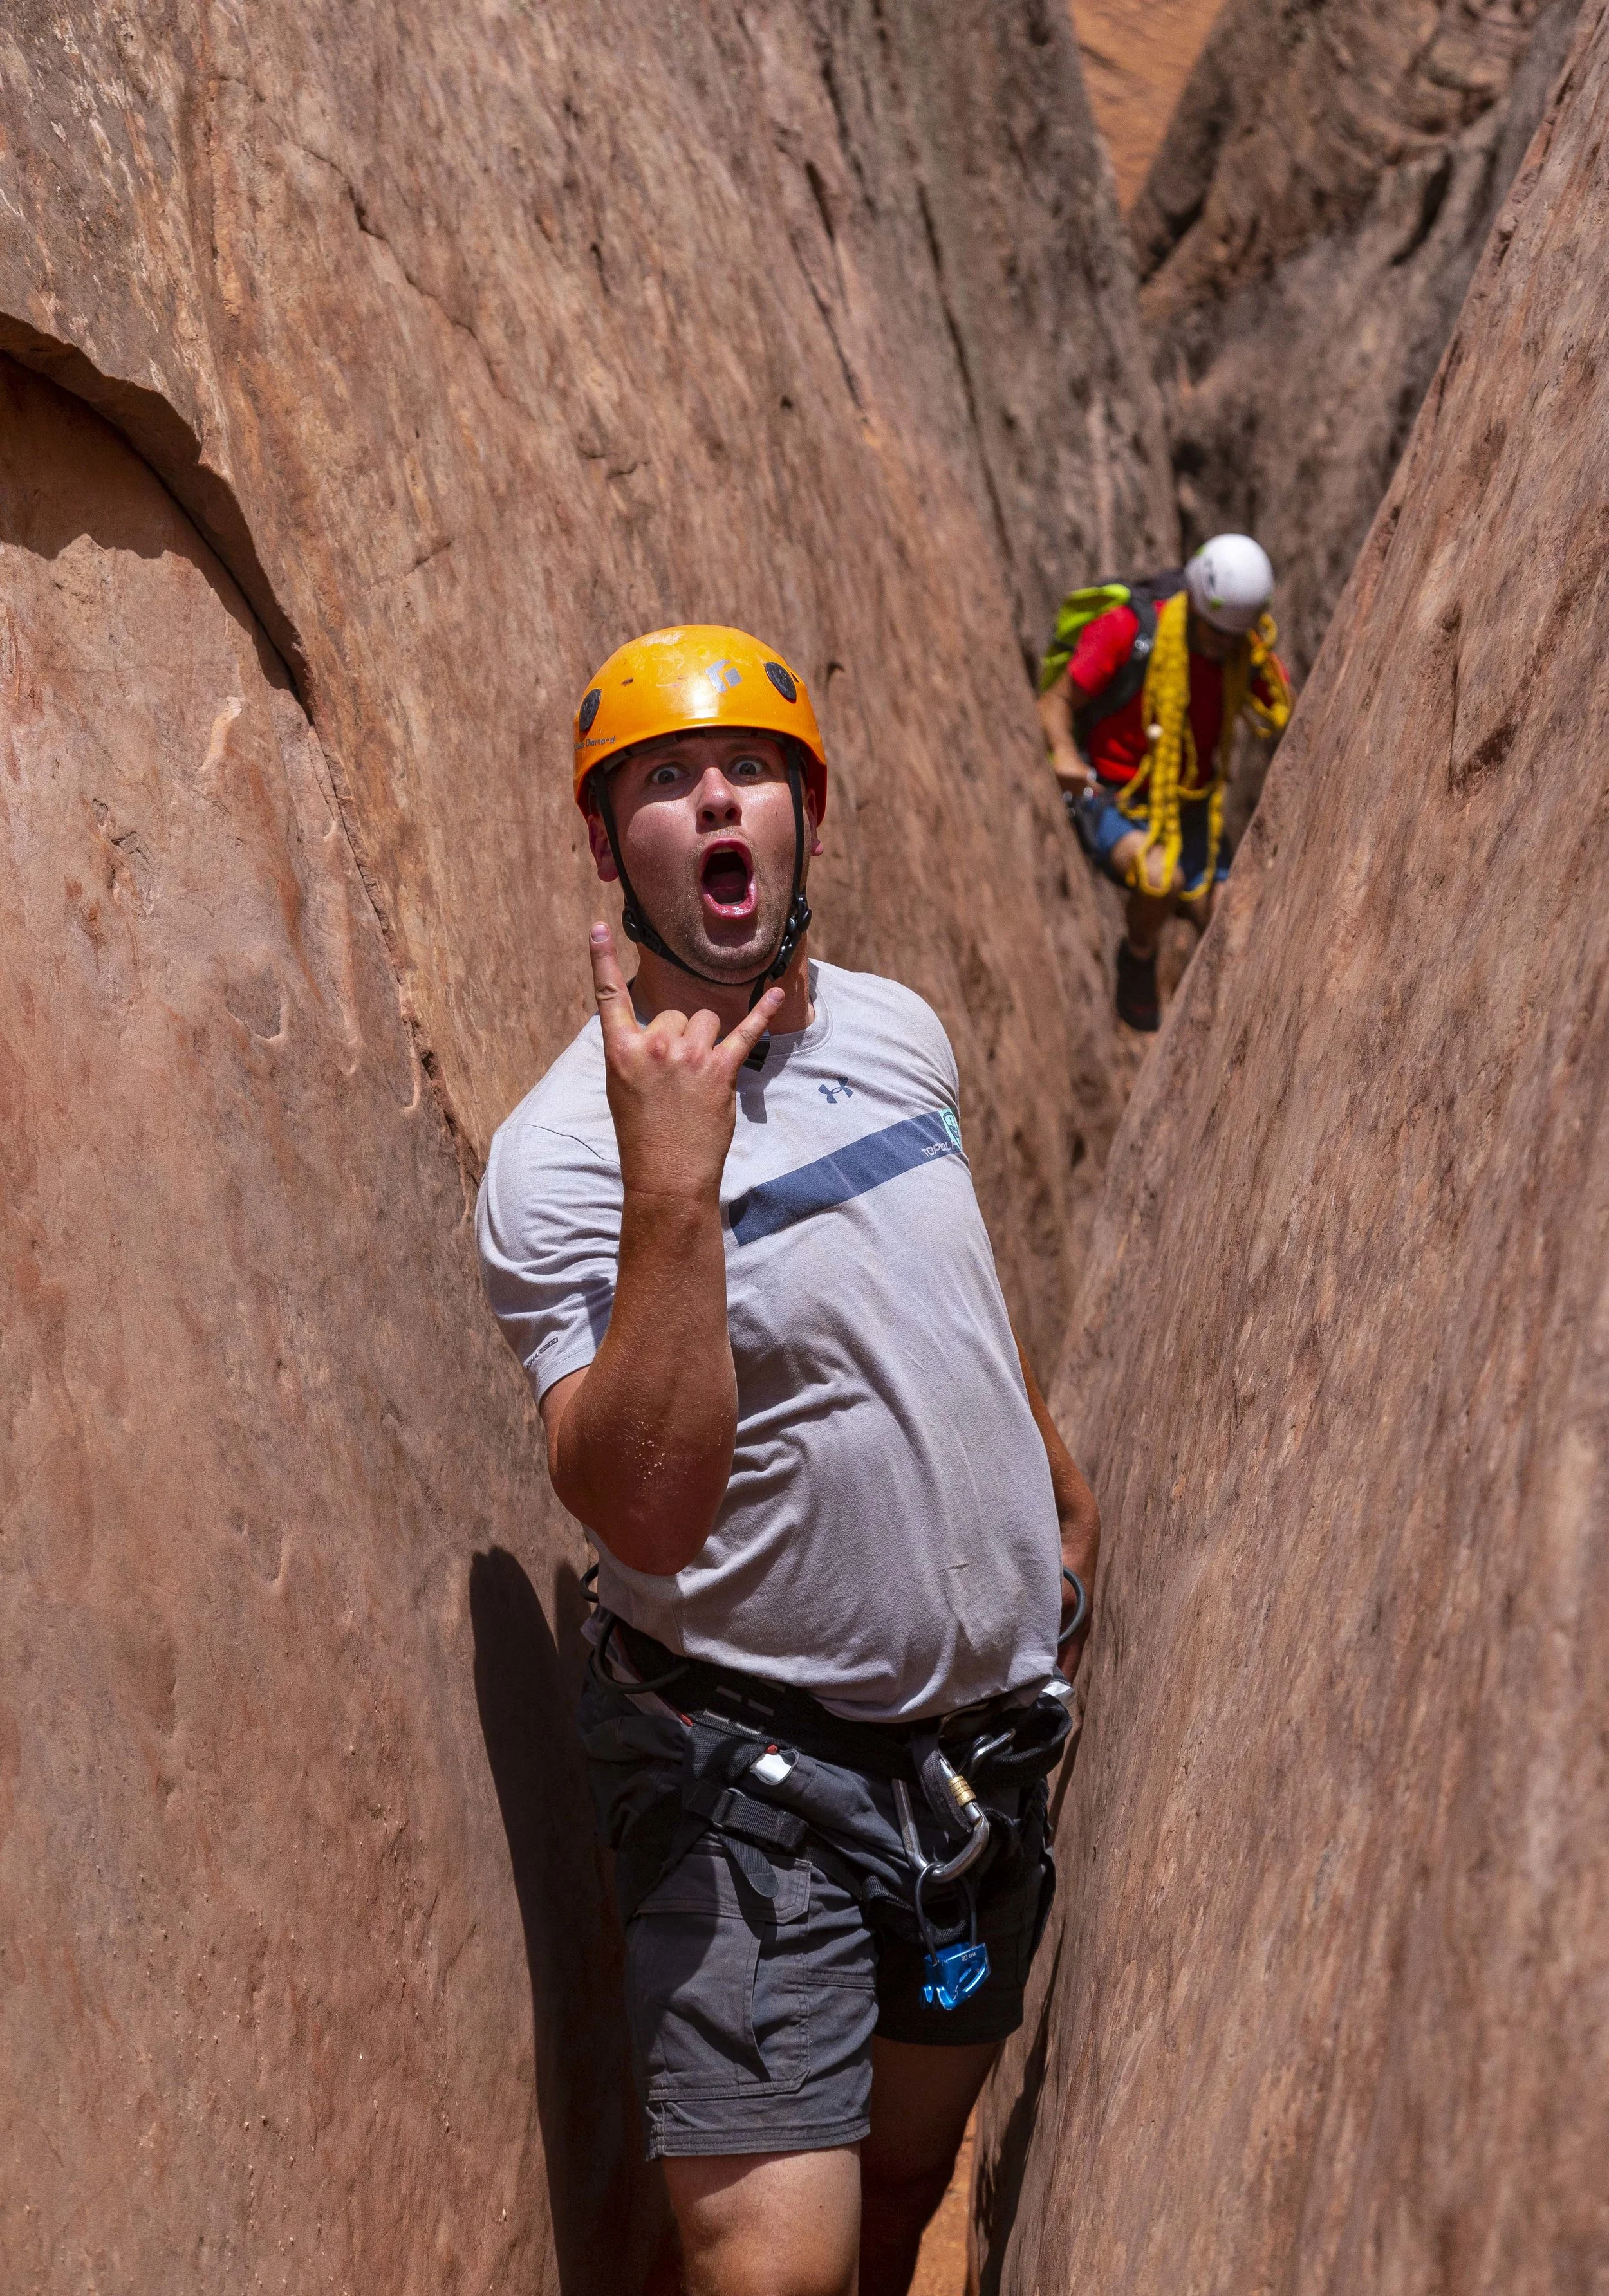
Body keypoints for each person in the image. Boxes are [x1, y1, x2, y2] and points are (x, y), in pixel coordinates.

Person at [476, 624, 1100, 2296]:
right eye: (666, 786)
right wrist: (671, 1187)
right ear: (612, 851)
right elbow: (643, 1507)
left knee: (904, 2181)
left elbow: (934, 1277)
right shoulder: (557, 1166)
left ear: (805, 810)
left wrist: (1038, 1477)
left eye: (746, 767)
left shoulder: (897, 1032)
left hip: (980, 1771)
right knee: (767, 2273)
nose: (715, 801)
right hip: (761, 1798)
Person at [1037, 533, 1292, 1031]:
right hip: (1112, 796)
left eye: (1232, 639)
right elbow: (1056, 702)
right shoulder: (1128, 630)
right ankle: (1138, 956)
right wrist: (1065, 755)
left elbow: (1284, 704)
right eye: (1216, 635)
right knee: (1161, 878)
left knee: (1232, 919)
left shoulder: (1243, 652)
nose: (1222, 649)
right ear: (1196, 604)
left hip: (1186, 811)